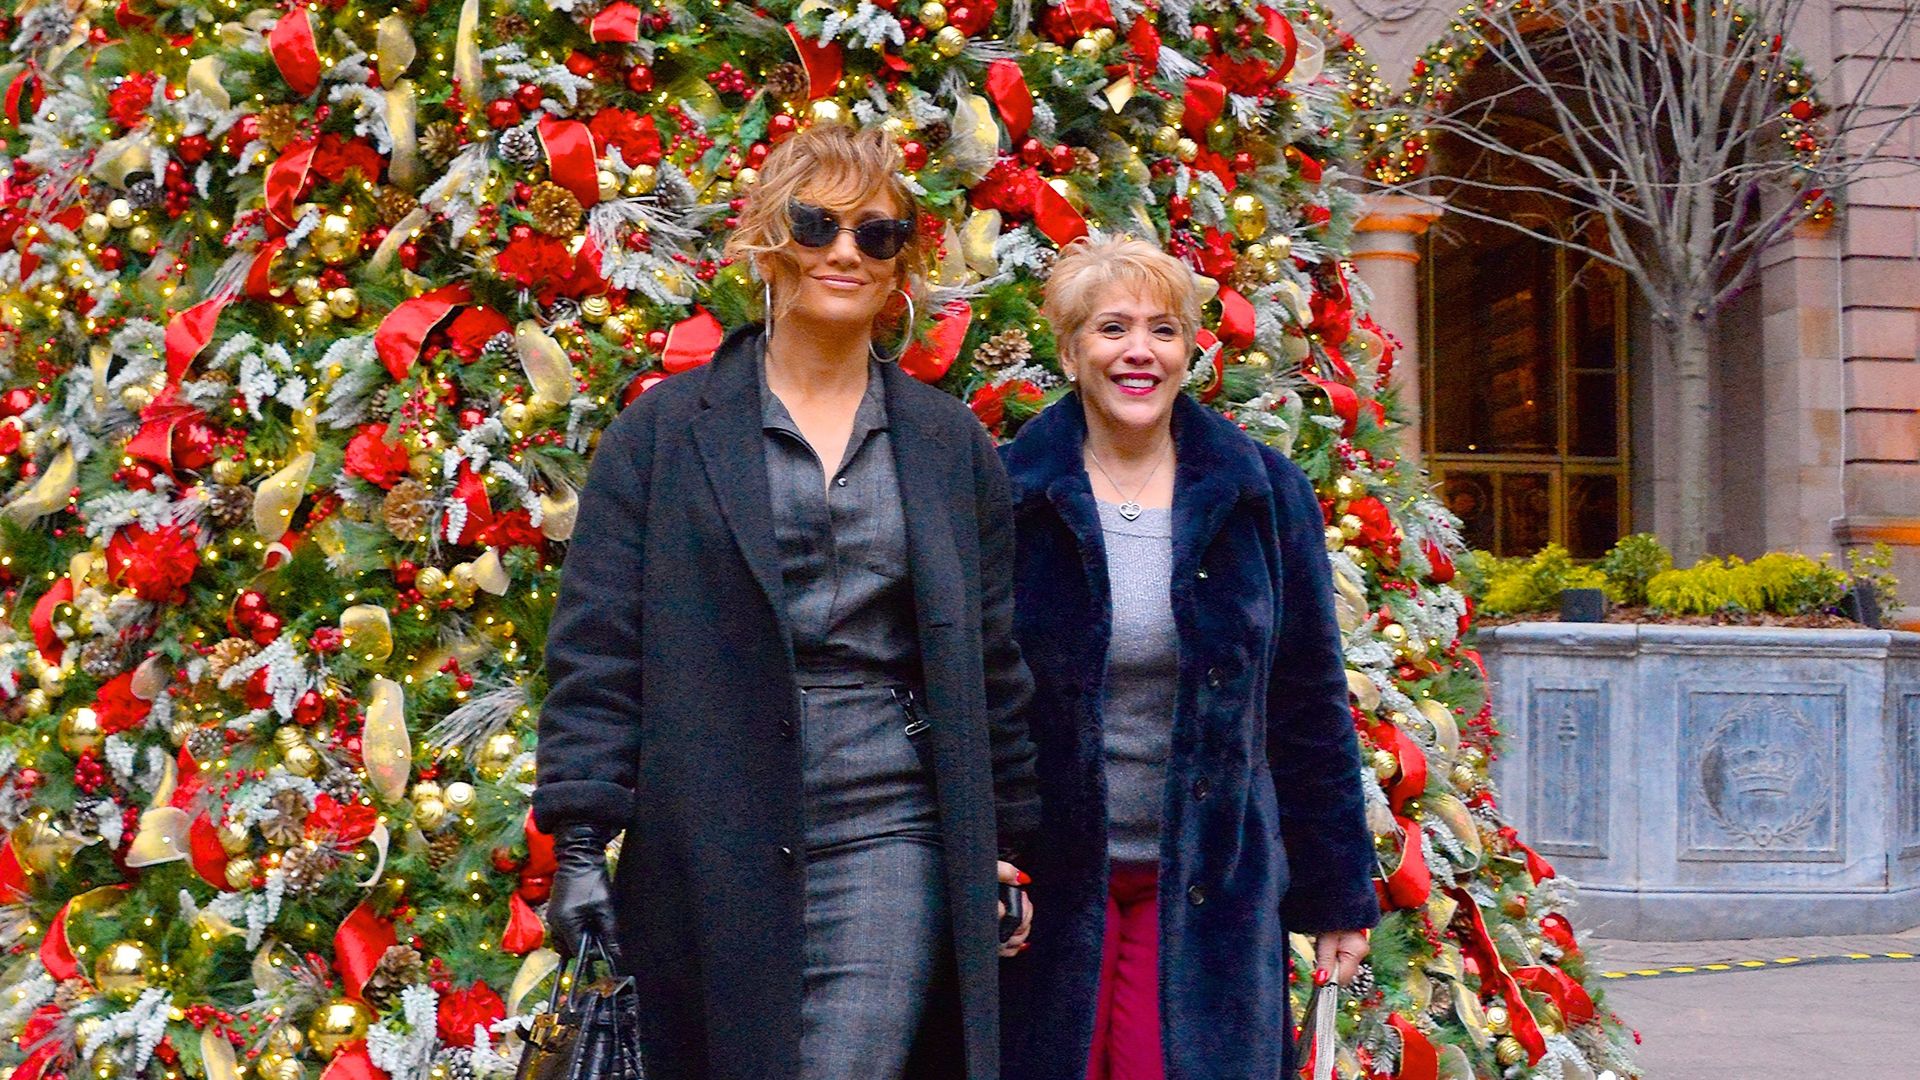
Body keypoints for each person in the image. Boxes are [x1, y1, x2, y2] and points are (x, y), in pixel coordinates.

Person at [532, 124, 1038, 1080]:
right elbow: (599, 646)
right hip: (710, 822)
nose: (846, 250)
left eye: (878, 234)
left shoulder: (945, 443)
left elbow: (991, 656)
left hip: (892, 819)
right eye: (818, 224)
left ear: (902, 268)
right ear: (771, 239)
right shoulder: (665, 433)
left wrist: (1003, 840)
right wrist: (581, 843)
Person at [997, 236, 1380, 1080]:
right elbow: (968, 695)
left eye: (1164, 330)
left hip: (1210, 884)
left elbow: (1308, 702)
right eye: (1113, 328)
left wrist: (1336, 894)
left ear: (1190, 352)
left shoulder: (1261, 493)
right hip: (1046, 886)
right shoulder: (1005, 495)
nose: (1140, 351)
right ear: (1070, 350)